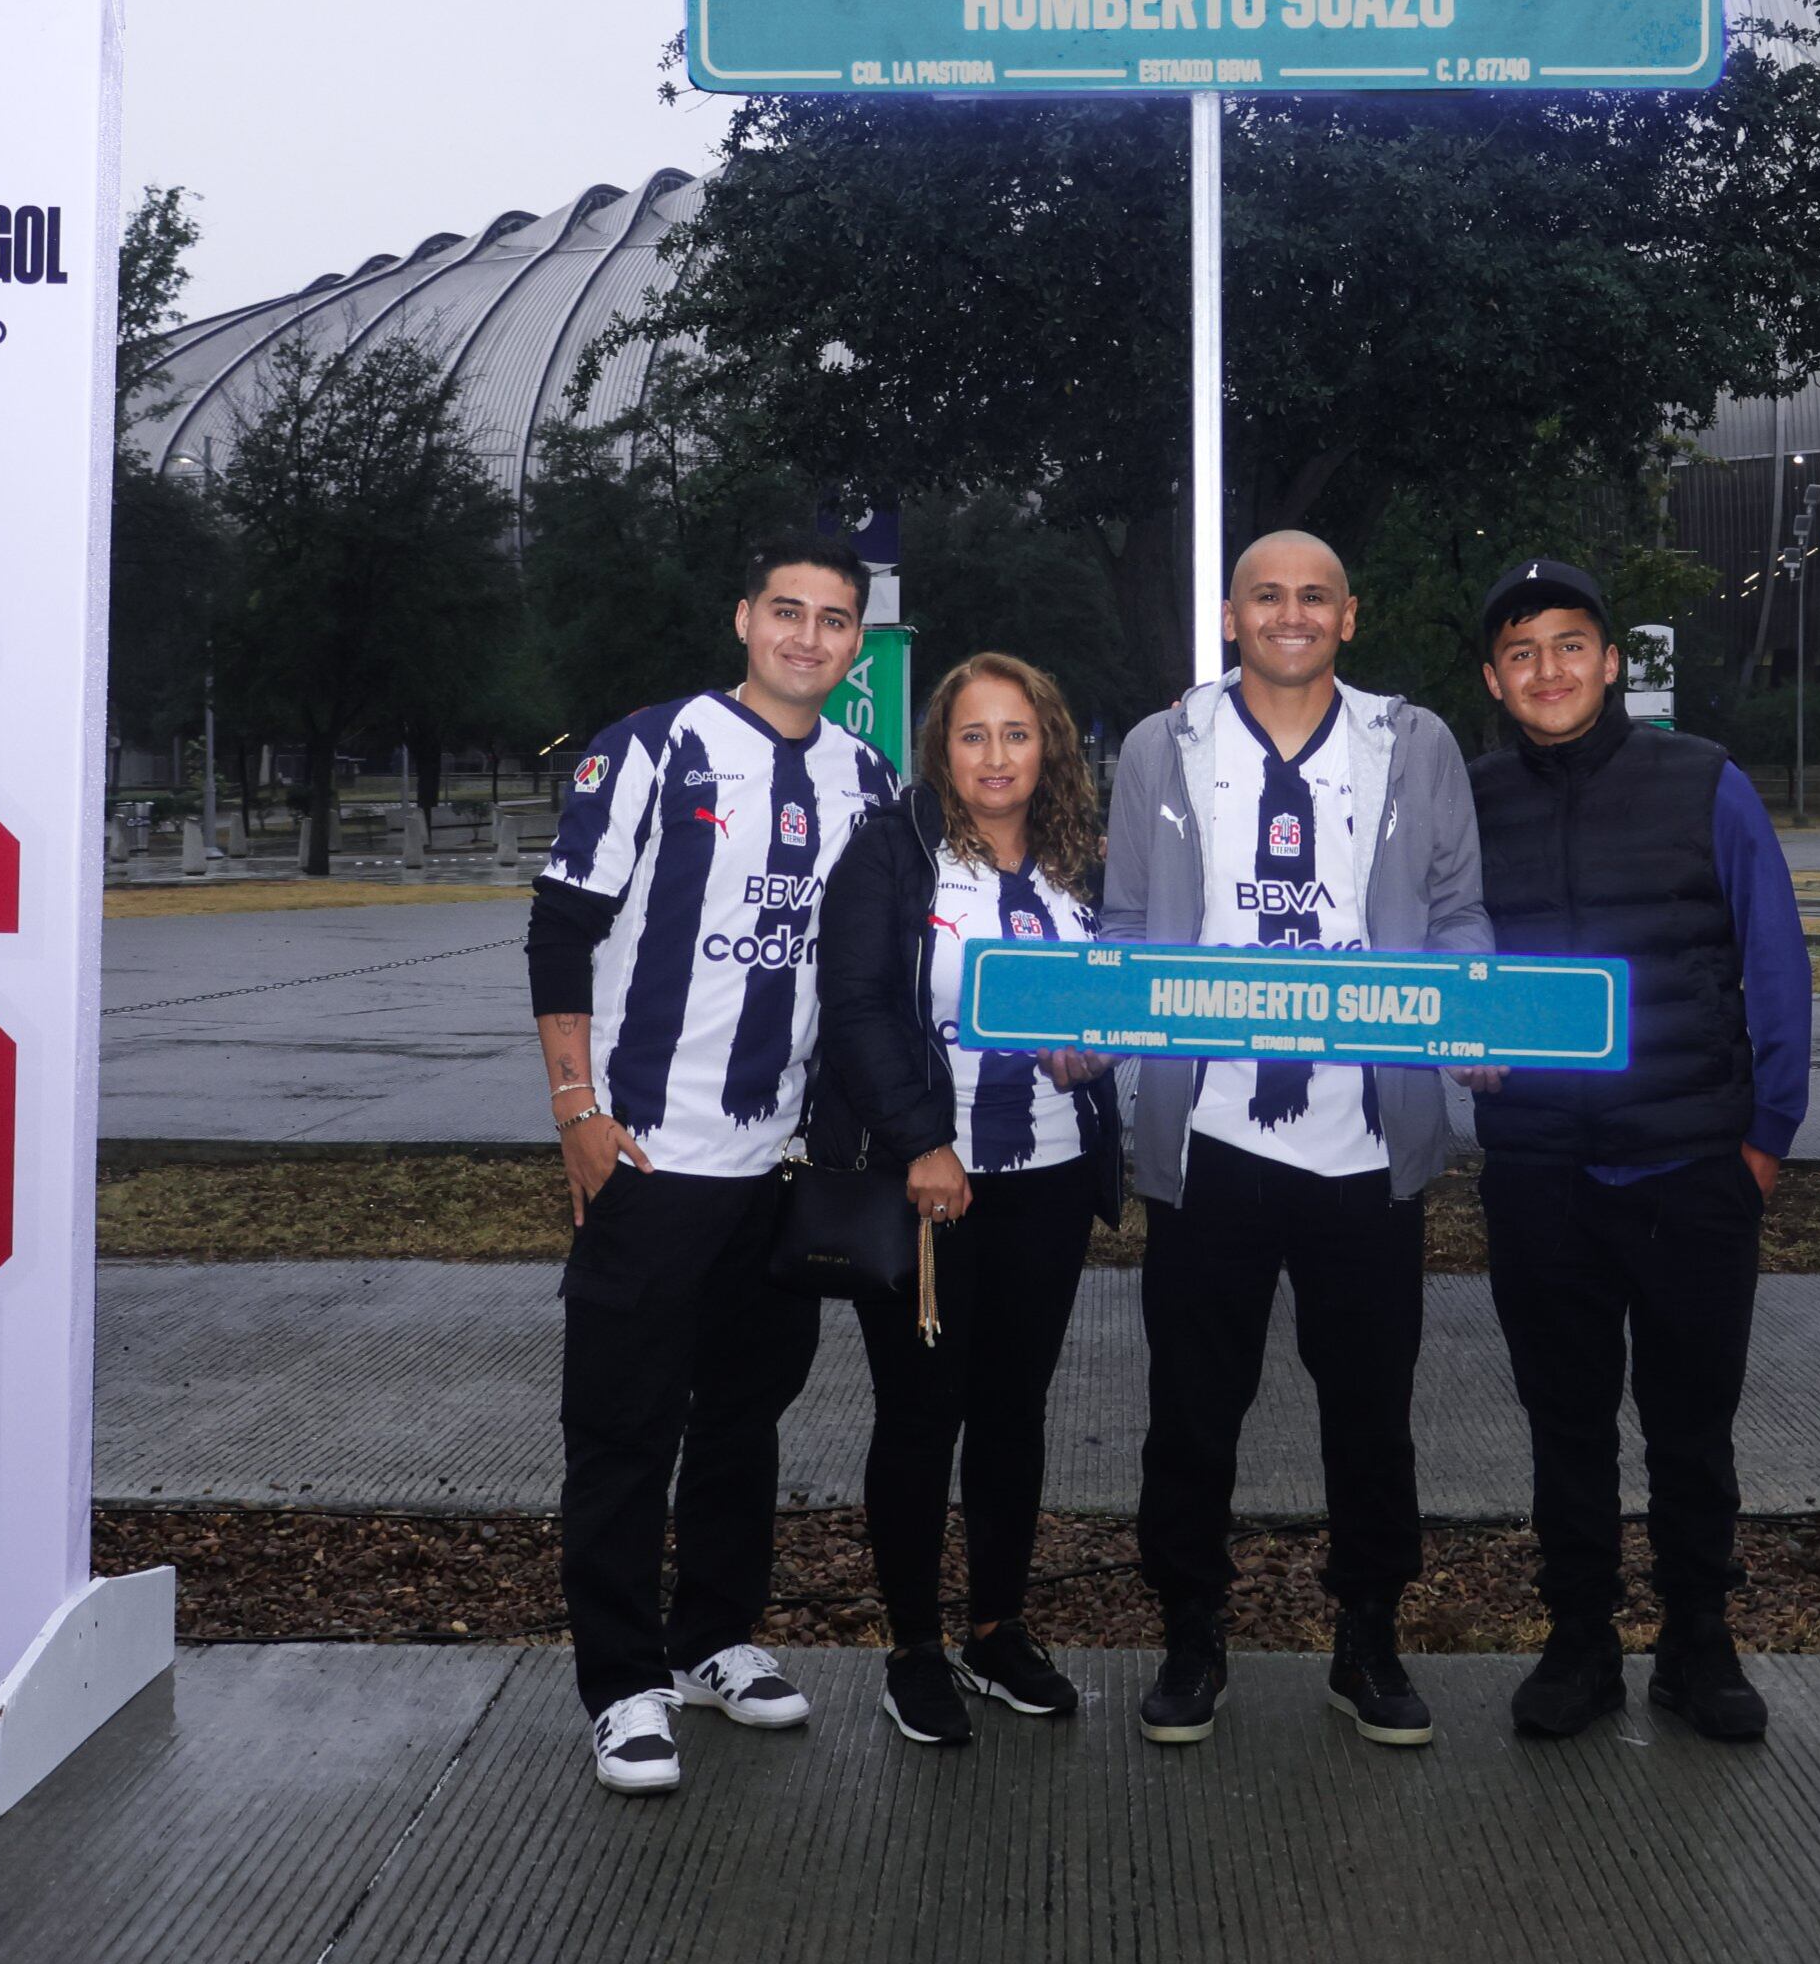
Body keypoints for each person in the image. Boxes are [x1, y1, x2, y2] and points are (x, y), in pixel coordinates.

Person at [1102, 530, 1488, 1748]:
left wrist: (1468, 1008)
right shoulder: (1163, 745)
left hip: (1364, 1140)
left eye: (1314, 595)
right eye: (1266, 594)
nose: (1290, 613)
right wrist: (1099, 1035)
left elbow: (1457, 906)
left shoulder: (1413, 743)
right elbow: (1123, 920)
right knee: (1192, 1405)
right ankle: (1191, 1631)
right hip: (1208, 1133)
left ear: (1349, 615)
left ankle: (1366, 1635)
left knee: (1371, 1408)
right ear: (1230, 614)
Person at [532, 537, 898, 1796]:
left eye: (833, 619)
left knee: (744, 1419)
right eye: (785, 611)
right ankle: (623, 1683)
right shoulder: (650, 746)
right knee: (624, 1430)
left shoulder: (869, 775)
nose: (807, 635)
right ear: (744, 618)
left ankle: (713, 1640)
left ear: (858, 644)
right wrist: (576, 1105)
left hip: (783, 1166)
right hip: (649, 1150)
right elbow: (560, 930)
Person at [1463, 560, 1810, 1742]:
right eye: (1521, 653)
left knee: (1689, 1425)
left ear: (1611, 663)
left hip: (1689, 1170)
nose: (1548, 670)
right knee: (1564, 1426)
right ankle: (1579, 1644)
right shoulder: (1467, 802)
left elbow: (1775, 967)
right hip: (1539, 1173)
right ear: (1493, 679)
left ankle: (1698, 1644)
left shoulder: (1704, 780)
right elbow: (1428, 970)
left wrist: (1760, 1141)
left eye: (1570, 645)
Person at [811, 652, 1124, 1748]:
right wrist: (922, 1144)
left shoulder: (1081, 859)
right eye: (973, 735)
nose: (997, 756)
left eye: (1018, 733)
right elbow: (851, 1009)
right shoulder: (893, 853)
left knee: (1012, 1411)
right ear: (941, 748)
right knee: (918, 1418)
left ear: (1051, 745)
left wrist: (1096, 1051)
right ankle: (912, 1649)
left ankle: (996, 1627)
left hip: (1046, 1177)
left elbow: (1110, 995)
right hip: (928, 1189)